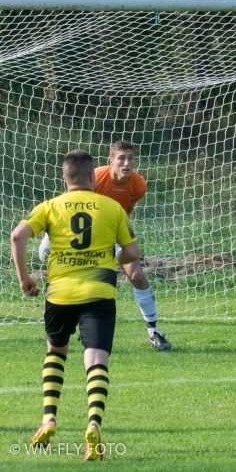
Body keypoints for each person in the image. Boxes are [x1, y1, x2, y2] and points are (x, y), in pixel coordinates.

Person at [11, 149, 140, 461]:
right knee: (96, 360)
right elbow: (132, 253)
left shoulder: (51, 206)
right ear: (94, 176)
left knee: (56, 352)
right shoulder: (112, 207)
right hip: (99, 294)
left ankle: (48, 419)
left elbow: (17, 236)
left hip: (59, 295)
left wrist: (25, 278)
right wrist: (115, 258)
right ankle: (93, 424)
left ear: (64, 177)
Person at [39, 140, 171, 351]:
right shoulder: (96, 177)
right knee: (63, 262)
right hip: (85, 231)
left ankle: (154, 331)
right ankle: (78, 320)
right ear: (111, 161)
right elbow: (68, 201)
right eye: (121, 158)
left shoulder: (139, 185)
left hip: (115, 230)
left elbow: (127, 211)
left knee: (136, 275)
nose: (127, 163)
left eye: (130, 158)